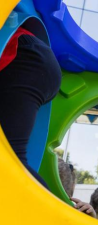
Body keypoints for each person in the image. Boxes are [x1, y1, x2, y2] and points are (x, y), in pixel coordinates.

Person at [0, 26, 62, 188]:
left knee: (10, 157)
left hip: (25, 57)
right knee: (11, 155)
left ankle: (47, 211)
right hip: (33, 59)